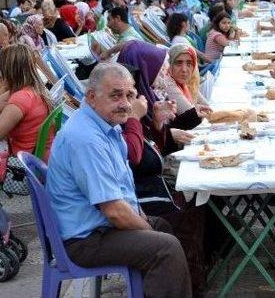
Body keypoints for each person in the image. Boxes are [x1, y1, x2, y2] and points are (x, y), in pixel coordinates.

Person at [45, 62, 192, 298]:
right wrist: (146, 229)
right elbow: (113, 211)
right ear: (92, 97)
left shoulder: (106, 127)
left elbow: (123, 190)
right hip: (85, 241)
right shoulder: (86, 139)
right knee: (165, 248)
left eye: (129, 95)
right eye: (115, 96)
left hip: (100, 228)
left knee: (170, 225)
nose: (125, 103)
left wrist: (145, 221)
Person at [165, 43, 210, 115]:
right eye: (178, 63)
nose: (184, 70)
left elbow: (207, 108)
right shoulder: (167, 84)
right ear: (170, 65)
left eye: (189, 64)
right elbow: (190, 114)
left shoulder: (189, 83)